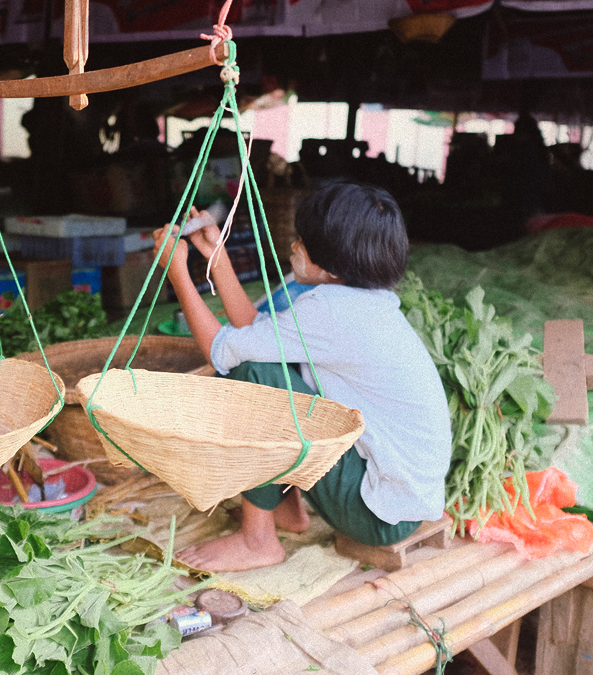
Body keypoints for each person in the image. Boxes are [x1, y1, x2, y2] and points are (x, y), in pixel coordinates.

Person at [151, 182, 452, 573]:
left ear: (329, 268)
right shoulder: (361, 301)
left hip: (376, 515)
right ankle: (285, 508)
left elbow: (222, 350)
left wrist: (178, 275)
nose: (293, 246)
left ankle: (257, 539)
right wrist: (217, 258)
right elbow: (259, 334)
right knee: (270, 364)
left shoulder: (331, 312)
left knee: (253, 375)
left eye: (302, 242)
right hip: (400, 502)